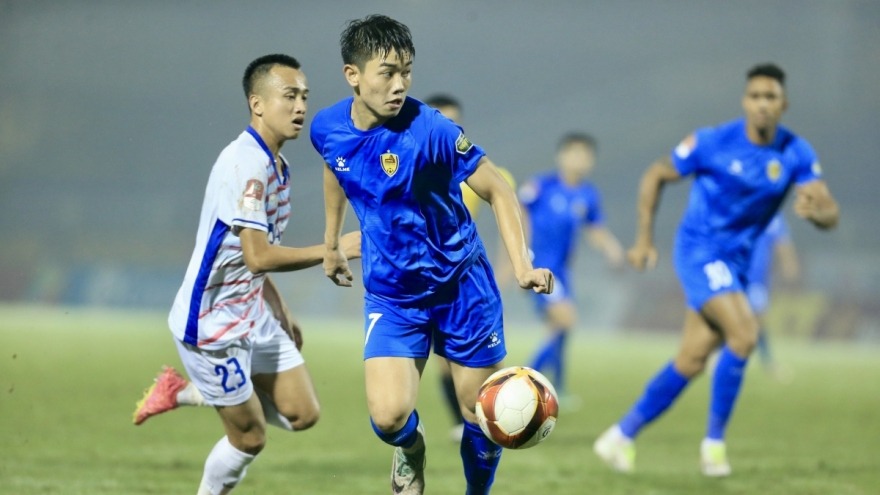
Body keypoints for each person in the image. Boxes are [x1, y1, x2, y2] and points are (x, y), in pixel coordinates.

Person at [310, 15, 553, 495]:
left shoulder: (432, 130)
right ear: (352, 75)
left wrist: (522, 265)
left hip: (461, 287)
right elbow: (335, 168)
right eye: (387, 73)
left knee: (478, 413)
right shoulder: (326, 127)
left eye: (406, 72)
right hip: (394, 294)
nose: (399, 85)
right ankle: (411, 449)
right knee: (388, 418)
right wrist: (332, 241)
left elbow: (498, 189)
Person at [593, 63, 839, 477]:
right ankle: (714, 447)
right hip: (699, 251)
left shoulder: (795, 152)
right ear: (745, 102)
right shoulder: (712, 142)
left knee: (691, 359)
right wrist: (644, 240)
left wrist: (820, 213)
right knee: (744, 334)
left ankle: (619, 436)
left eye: (771, 97)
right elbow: (656, 174)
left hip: (737, 263)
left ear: (784, 104)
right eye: (756, 96)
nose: (762, 104)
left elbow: (829, 212)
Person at [132, 54, 360, 495]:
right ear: (257, 103)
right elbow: (258, 257)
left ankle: (189, 391)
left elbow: (248, 255)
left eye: (304, 97)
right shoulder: (246, 167)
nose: (300, 107)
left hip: (251, 311)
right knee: (250, 438)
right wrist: (332, 250)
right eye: (289, 96)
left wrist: (280, 308)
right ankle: (201, 398)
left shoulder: (276, 165)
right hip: (212, 326)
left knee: (304, 414)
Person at [423, 94, 517, 441]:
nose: (447, 126)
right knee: (442, 360)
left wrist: (512, 264)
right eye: (440, 118)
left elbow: (508, 208)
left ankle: (483, 419)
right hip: (422, 278)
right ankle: (460, 422)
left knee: (477, 361)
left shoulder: (475, 170)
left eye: (453, 120)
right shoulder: (410, 165)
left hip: (463, 279)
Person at [519, 133, 623, 403]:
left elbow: (594, 227)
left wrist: (610, 247)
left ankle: (558, 387)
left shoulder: (587, 194)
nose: (580, 160)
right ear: (561, 156)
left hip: (562, 272)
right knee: (565, 320)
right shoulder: (542, 186)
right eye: (574, 154)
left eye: (585, 155)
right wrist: (519, 257)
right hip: (540, 268)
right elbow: (518, 212)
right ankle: (522, 381)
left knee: (561, 327)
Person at [746, 213, 800, 379]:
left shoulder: (774, 217)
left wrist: (789, 266)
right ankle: (767, 363)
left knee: (757, 321)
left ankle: (767, 363)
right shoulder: (744, 208)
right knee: (733, 318)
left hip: (758, 279)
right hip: (737, 273)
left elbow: (783, 243)